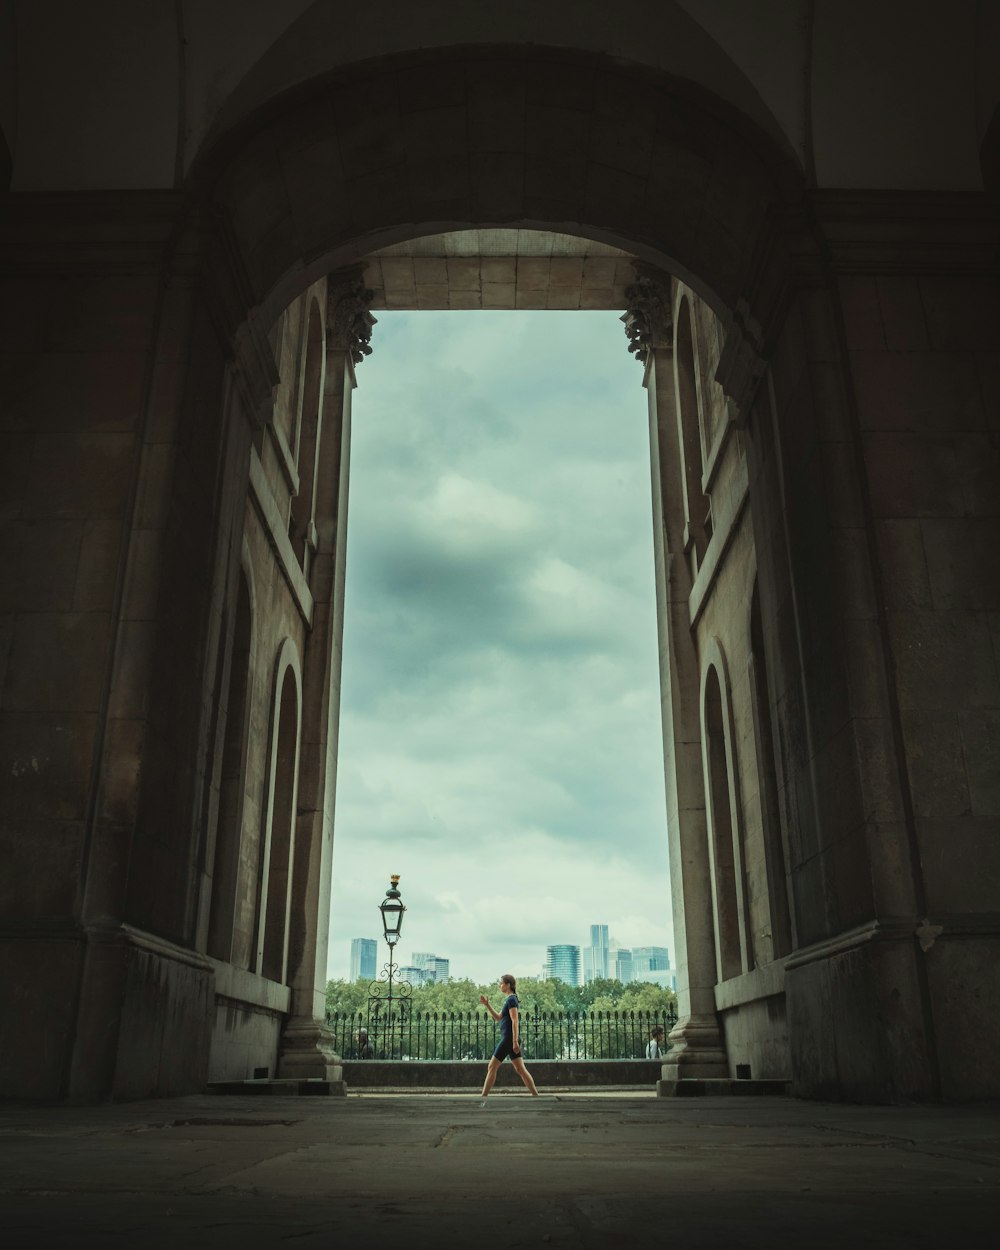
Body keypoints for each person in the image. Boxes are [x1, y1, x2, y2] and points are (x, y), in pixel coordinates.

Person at [478, 974, 539, 1103]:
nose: (500, 985)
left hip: (509, 1039)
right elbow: (499, 1017)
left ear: (508, 985)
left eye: (501, 983)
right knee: (520, 1069)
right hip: (510, 1039)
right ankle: (536, 1095)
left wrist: (514, 1041)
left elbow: (515, 1020)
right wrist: (487, 1005)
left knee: (492, 1066)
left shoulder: (511, 1000)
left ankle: (483, 1097)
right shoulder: (509, 1000)